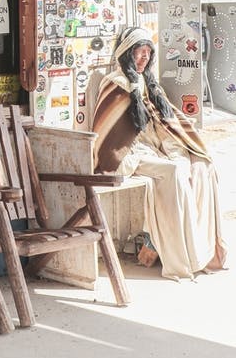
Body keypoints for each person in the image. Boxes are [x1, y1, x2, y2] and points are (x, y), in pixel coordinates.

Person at [91, 25, 228, 281]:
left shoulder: (147, 82)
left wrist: (185, 144)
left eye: (147, 53)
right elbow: (109, 134)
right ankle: (176, 256)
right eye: (138, 53)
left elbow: (166, 118)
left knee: (202, 165)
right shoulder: (116, 83)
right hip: (130, 153)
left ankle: (201, 250)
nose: (143, 58)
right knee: (175, 171)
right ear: (126, 54)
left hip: (156, 147)